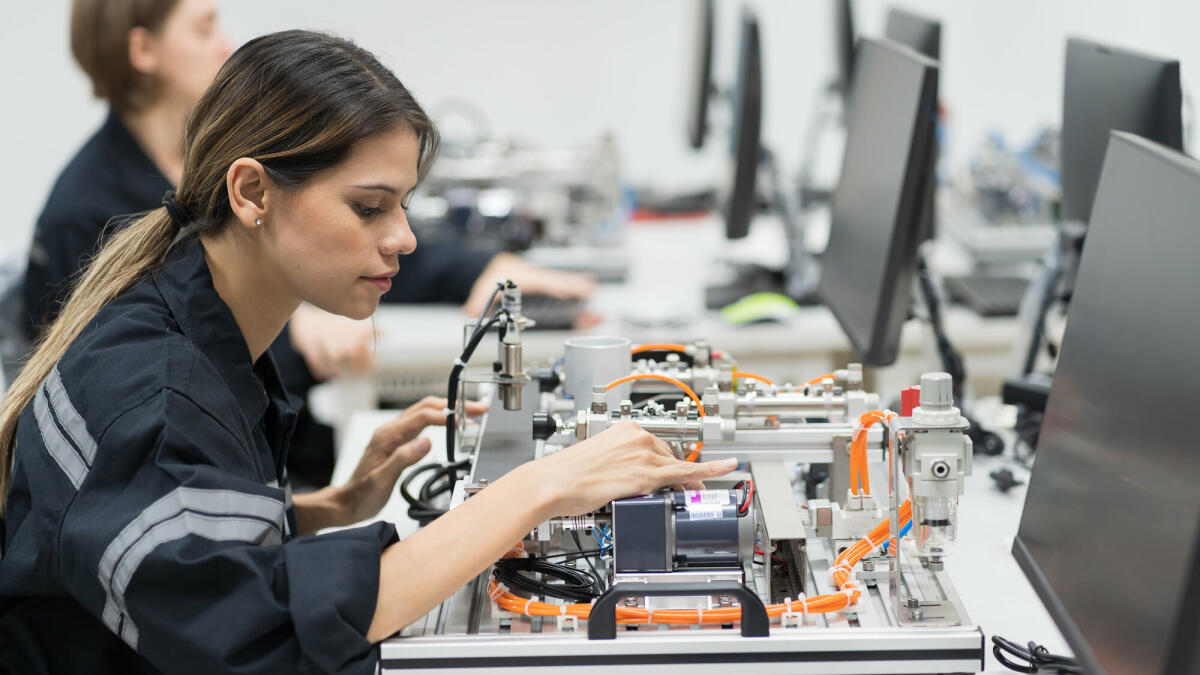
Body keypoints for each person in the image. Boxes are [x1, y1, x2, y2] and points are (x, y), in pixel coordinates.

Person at [0, 30, 733, 674]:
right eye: (369, 206)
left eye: (404, 204)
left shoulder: (191, 320)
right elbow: (264, 632)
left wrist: (324, 509)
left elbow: (184, 554)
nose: (404, 237)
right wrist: (538, 488)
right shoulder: (156, 394)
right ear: (253, 192)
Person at [22, 0, 596, 489]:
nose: (222, 45)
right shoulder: (98, 224)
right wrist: (530, 494)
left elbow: (340, 231)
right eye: (202, 28)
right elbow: (232, 595)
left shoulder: (193, 182)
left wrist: (478, 267)